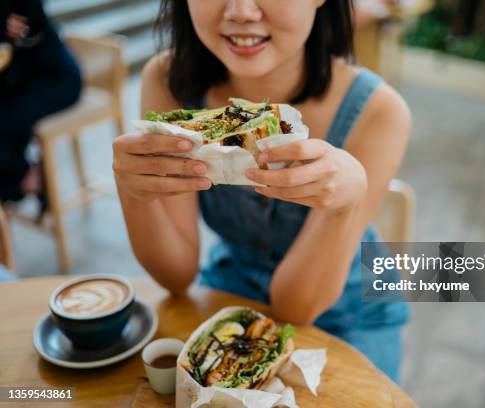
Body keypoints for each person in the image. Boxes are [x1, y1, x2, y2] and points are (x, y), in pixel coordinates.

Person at [112, 0, 411, 381]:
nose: (240, 11)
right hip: (231, 285)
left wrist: (342, 209)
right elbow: (176, 275)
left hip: (348, 314)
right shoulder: (169, 81)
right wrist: (134, 193)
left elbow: (295, 309)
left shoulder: (379, 112)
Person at [0, 0, 81, 207]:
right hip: (22, 80)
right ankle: (22, 180)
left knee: (5, 121)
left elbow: (31, 18)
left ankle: (27, 178)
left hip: (57, 80)